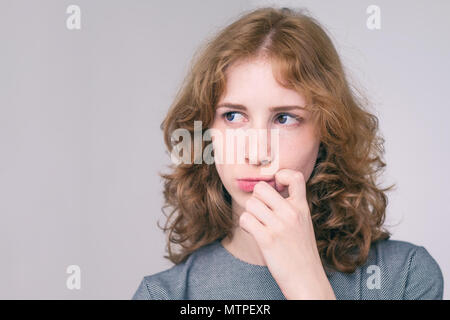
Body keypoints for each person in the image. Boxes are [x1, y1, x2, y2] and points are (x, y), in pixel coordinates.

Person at [132, 6, 443, 300]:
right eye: (233, 116)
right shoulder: (166, 294)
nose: (256, 154)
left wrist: (306, 281)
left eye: (284, 118)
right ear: (206, 133)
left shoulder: (404, 276)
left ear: (326, 130)